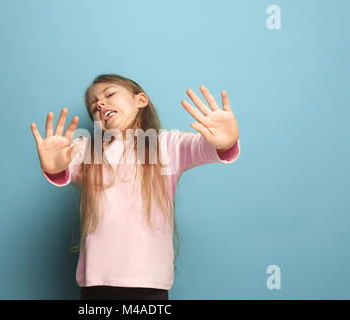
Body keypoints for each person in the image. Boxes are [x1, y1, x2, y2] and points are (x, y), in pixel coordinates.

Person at [30, 74, 241, 300]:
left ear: (140, 100)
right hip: (97, 286)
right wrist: (54, 167)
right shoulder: (86, 150)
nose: (100, 104)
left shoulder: (168, 145)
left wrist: (226, 141)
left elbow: (206, 148)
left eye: (109, 94)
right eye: (93, 106)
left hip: (150, 284)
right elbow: (64, 168)